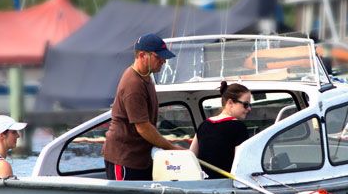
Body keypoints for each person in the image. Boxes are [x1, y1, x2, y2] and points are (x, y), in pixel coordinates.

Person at [103, 33, 185, 181]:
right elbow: (143, 127)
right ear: (142, 55)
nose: (164, 61)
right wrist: (172, 148)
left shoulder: (146, 76)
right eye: (158, 57)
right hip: (124, 159)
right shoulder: (133, 84)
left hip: (140, 159)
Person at [190, 81, 251, 179]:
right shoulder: (239, 127)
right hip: (227, 186)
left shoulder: (204, 125)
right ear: (230, 103)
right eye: (246, 104)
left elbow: (191, 157)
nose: (249, 109)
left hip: (204, 184)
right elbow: (242, 164)